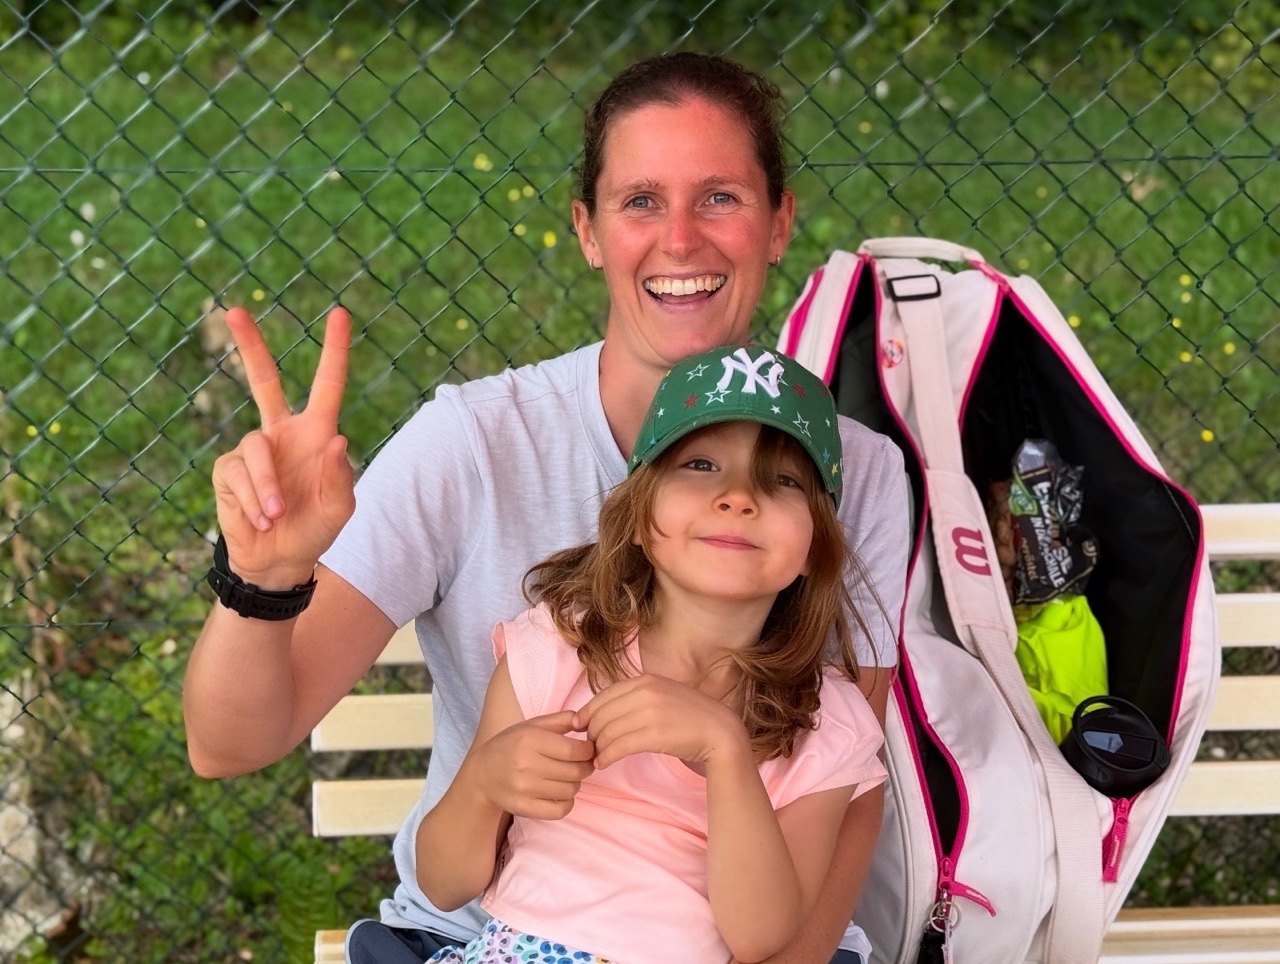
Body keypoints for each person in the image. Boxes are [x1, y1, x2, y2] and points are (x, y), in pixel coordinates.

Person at [183, 51, 911, 964]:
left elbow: (847, 789)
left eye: (720, 197)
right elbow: (228, 745)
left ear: (778, 223)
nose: (680, 239)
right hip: (487, 933)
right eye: (640, 201)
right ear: (588, 230)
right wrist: (264, 577)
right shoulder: (474, 444)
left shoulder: (857, 471)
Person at [414, 344, 889, 964]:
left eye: (783, 480)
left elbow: (761, 938)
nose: (738, 497)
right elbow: (443, 884)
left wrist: (724, 748)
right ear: (639, 518)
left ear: (814, 550)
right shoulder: (560, 651)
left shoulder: (826, 725)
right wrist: (482, 786)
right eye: (700, 464)